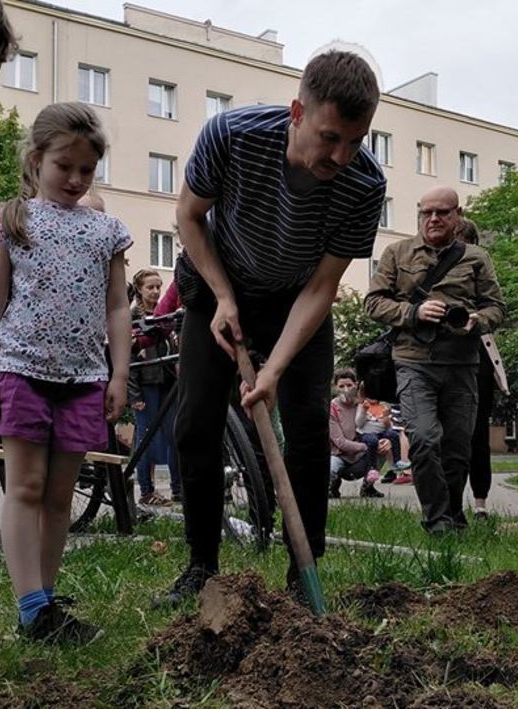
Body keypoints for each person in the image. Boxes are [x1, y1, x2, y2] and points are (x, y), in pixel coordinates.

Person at [156, 50, 386, 606]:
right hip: (218, 283)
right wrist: (222, 296)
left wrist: (275, 368)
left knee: (309, 432)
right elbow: (188, 216)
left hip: (297, 299)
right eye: (330, 137)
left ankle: (300, 575)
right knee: (195, 425)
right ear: (297, 113)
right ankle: (201, 565)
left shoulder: (365, 185)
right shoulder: (230, 135)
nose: (341, 154)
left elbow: (321, 289)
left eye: (356, 141)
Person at [0, 102, 130, 646]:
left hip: (83, 377)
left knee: (61, 495)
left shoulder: (107, 231)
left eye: (86, 170)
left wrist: (118, 374)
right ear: (37, 159)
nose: (76, 178)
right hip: (20, 369)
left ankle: (45, 596)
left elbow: (116, 306)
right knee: (27, 486)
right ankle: (31, 606)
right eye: (65, 166)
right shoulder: (14, 220)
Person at [365, 187, 506, 534]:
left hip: (462, 365)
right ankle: (437, 520)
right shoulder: (397, 252)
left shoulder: (476, 257)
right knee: (425, 438)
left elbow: (497, 307)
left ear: (457, 215)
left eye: (442, 213)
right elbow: (372, 303)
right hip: (414, 362)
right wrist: (413, 312)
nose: (433, 219)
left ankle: (452, 514)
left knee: (458, 447)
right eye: (426, 213)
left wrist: (476, 321)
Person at [457, 217, 508, 519]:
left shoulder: (482, 275)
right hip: (442, 358)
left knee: (477, 435)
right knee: (447, 436)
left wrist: (477, 317)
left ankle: (480, 504)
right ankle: (449, 503)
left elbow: (497, 309)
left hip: (477, 359)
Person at [128, 268, 181, 507]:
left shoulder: (165, 316)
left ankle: (178, 488)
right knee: (145, 437)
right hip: (146, 383)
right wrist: (134, 394)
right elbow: (128, 358)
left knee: (175, 434)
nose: (156, 291)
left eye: (159, 287)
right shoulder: (132, 316)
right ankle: (147, 491)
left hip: (167, 381)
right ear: (139, 289)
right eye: (150, 287)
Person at [328, 368, 385, 499]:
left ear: (356, 385)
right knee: (331, 469)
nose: (346, 389)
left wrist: (383, 441)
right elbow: (340, 442)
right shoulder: (332, 408)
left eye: (349, 385)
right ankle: (333, 485)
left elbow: (377, 426)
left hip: (361, 457)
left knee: (383, 448)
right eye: (341, 386)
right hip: (339, 455)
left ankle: (368, 487)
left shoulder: (363, 404)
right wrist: (367, 446)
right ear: (335, 387)